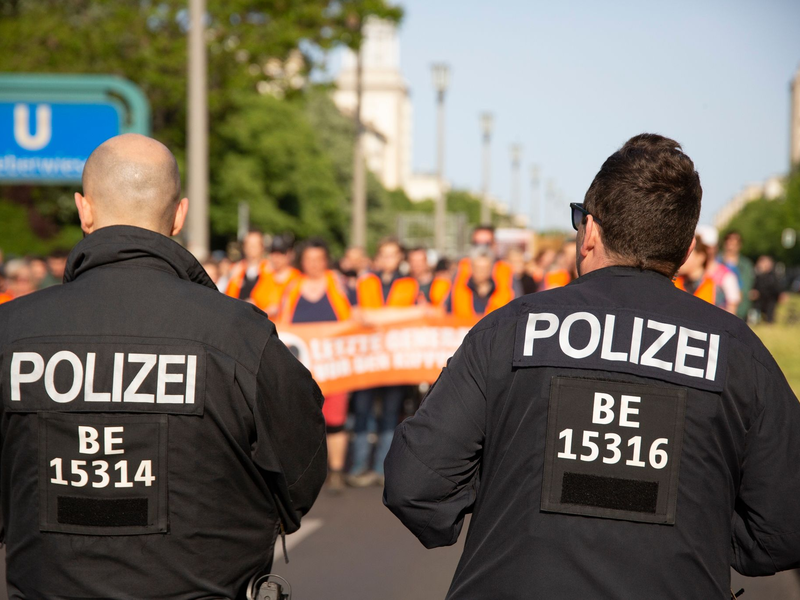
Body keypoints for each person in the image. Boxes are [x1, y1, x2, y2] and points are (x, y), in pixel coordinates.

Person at [384, 133, 800, 599]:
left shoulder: (510, 330)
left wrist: (504, 485)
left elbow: (415, 483)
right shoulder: (737, 353)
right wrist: (696, 529)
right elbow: (783, 527)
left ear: (591, 233)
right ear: (684, 253)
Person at [0, 134, 327, 599]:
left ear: (84, 209)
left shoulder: (11, 331)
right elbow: (300, 472)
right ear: (179, 215)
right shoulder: (238, 334)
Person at [280, 238, 352, 493]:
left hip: (335, 367)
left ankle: (336, 473)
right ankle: (303, 474)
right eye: (308, 259)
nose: (313, 264)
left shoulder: (338, 284)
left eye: (318, 259)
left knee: (335, 421)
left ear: (326, 261)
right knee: (300, 420)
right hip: (302, 369)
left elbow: (354, 318)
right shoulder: (293, 286)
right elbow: (282, 321)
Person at [348, 238, 417, 487]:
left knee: (390, 415)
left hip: (395, 359)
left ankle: (381, 468)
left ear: (400, 258)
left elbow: (414, 316)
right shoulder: (365, 281)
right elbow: (354, 312)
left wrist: (376, 318)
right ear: (377, 257)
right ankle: (358, 466)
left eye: (393, 254)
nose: (388, 259)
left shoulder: (411, 284)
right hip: (367, 358)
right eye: (384, 254)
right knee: (362, 413)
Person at [446, 246, 514, 319]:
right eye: (478, 268)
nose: (481, 272)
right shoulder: (458, 289)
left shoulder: (502, 289)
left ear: (491, 268)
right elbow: (447, 314)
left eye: (485, 268)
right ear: (471, 267)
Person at [251, 233, 301, 317]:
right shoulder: (265, 275)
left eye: (281, 253)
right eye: (273, 252)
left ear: (289, 254)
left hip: (284, 327)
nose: (276, 257)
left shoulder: (297, 278)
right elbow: (255, 299)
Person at [225, 229, 272, 302]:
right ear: (244, 247)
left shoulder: (270, 270)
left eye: (255, 245)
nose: (252, 247)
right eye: (249, 244)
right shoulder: (235, 269)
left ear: (262, 247)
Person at [674, 235, 722, 304]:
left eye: (687, 253)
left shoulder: (715, 289)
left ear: (700, 257)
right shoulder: (675, 282)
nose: (681, 257)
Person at [721, 230, 754, 321]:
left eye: (735, 243)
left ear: (740, 245)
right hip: (717, 309)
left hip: (739, 313)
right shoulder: (716, 262)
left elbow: (746, 289)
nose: (731, 246)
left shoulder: (746, 265)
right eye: (729, 242)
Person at [751, 255, 783, 323]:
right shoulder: (756, 274)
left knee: (769, 317)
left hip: (770, 300)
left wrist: (780, 295)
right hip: (758, 301)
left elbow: (777, 288)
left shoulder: (773, 276)